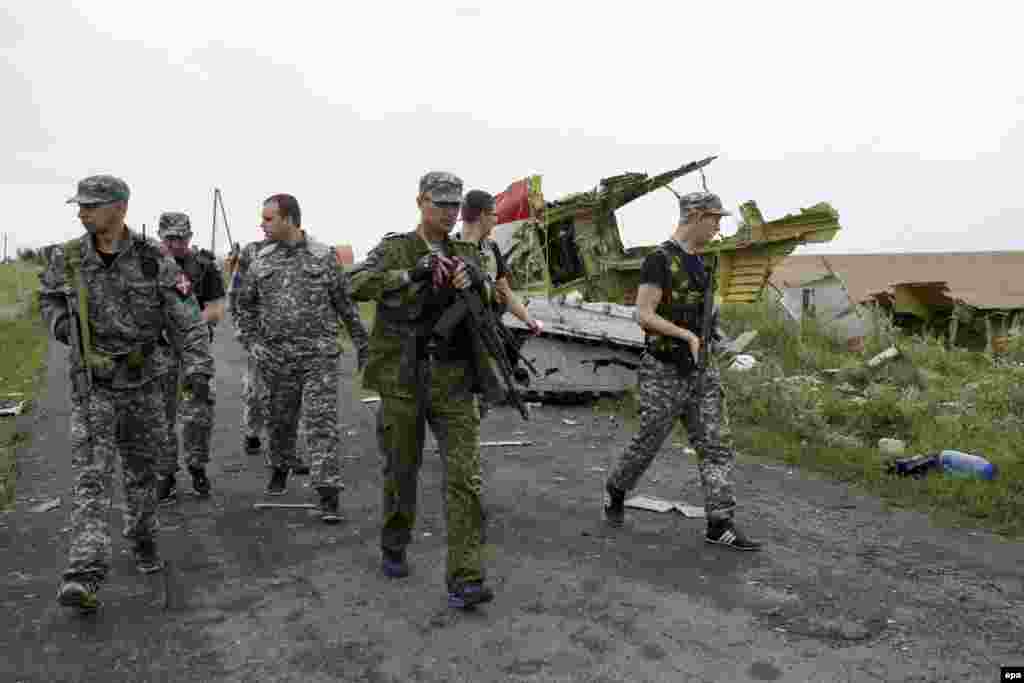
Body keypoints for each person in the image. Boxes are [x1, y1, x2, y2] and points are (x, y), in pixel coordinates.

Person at [39, 175, 213, 611]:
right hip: (93, 387)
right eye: (79, 206)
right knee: (91, 479)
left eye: (91, 206)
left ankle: (143, 539)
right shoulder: (68, 257)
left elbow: (186, 317)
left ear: (119, 208)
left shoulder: (154, 259)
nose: (81, 213)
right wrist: (64, 327)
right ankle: (84, 572)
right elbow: (48, 300)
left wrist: (198, 368)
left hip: (142, 386)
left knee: (142, 475)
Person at [349, 171, 502, 609]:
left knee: (465, 479)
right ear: (420, 201)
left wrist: (475, 282)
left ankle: (466, 578)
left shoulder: (468, 251)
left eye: (455, 206)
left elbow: (493, 295)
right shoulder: (396, 247)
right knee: (401, 469)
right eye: (441, 205)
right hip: (402, 378)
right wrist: (409, 274)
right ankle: (395, 541)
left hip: (454, 379)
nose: (450, 213)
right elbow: (355, 283)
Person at [603, 191, 762, 551]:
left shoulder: (701, 264)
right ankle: (616, 488)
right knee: (649, 441)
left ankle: (719, 522)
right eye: (715, 219)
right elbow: (644, 315)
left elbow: (706, 319)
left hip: (702, 372)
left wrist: (719, 343)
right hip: (664, 371)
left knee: (716, 444)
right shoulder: (658, 260)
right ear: (694, 216)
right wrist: (684, 334)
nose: (719, 226)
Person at [233, 193, 369, 523]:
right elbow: (244, 306)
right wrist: (251, 341)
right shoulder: (260, 260)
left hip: (318, 357)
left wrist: (363, 344)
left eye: (268, 219)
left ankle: (327, 494)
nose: (262, 225)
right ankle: (279, 466)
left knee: (321, 425)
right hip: (276, 358)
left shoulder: (323, 257)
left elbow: (345, 304)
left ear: (290, 219)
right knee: (280, 422)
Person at [153, 212, 226, 503]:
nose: (175, 244)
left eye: (180, 238)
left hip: (195, 352)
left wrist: (188, 325)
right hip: (159, 352)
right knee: (160, 415)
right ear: (161, 237)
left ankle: (197, 467)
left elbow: (216, 308)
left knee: (199, 412)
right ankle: (166, 474)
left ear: (190, 237)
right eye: (169, 238)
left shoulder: (204, 266)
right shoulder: (149, 267)